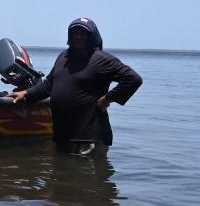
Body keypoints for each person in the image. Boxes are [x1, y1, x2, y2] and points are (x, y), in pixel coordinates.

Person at [8, 17, 142, 155]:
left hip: (89, 138)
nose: (78, 37)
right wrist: (26, 93)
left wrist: (108, 98)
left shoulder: (102, 59)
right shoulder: (63, 57)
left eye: (84, 34)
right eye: (75, 33)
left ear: (92, 37)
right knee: (62, 175)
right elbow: (49, 85)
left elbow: (133, 79)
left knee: (88, 176)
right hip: (63, 136)